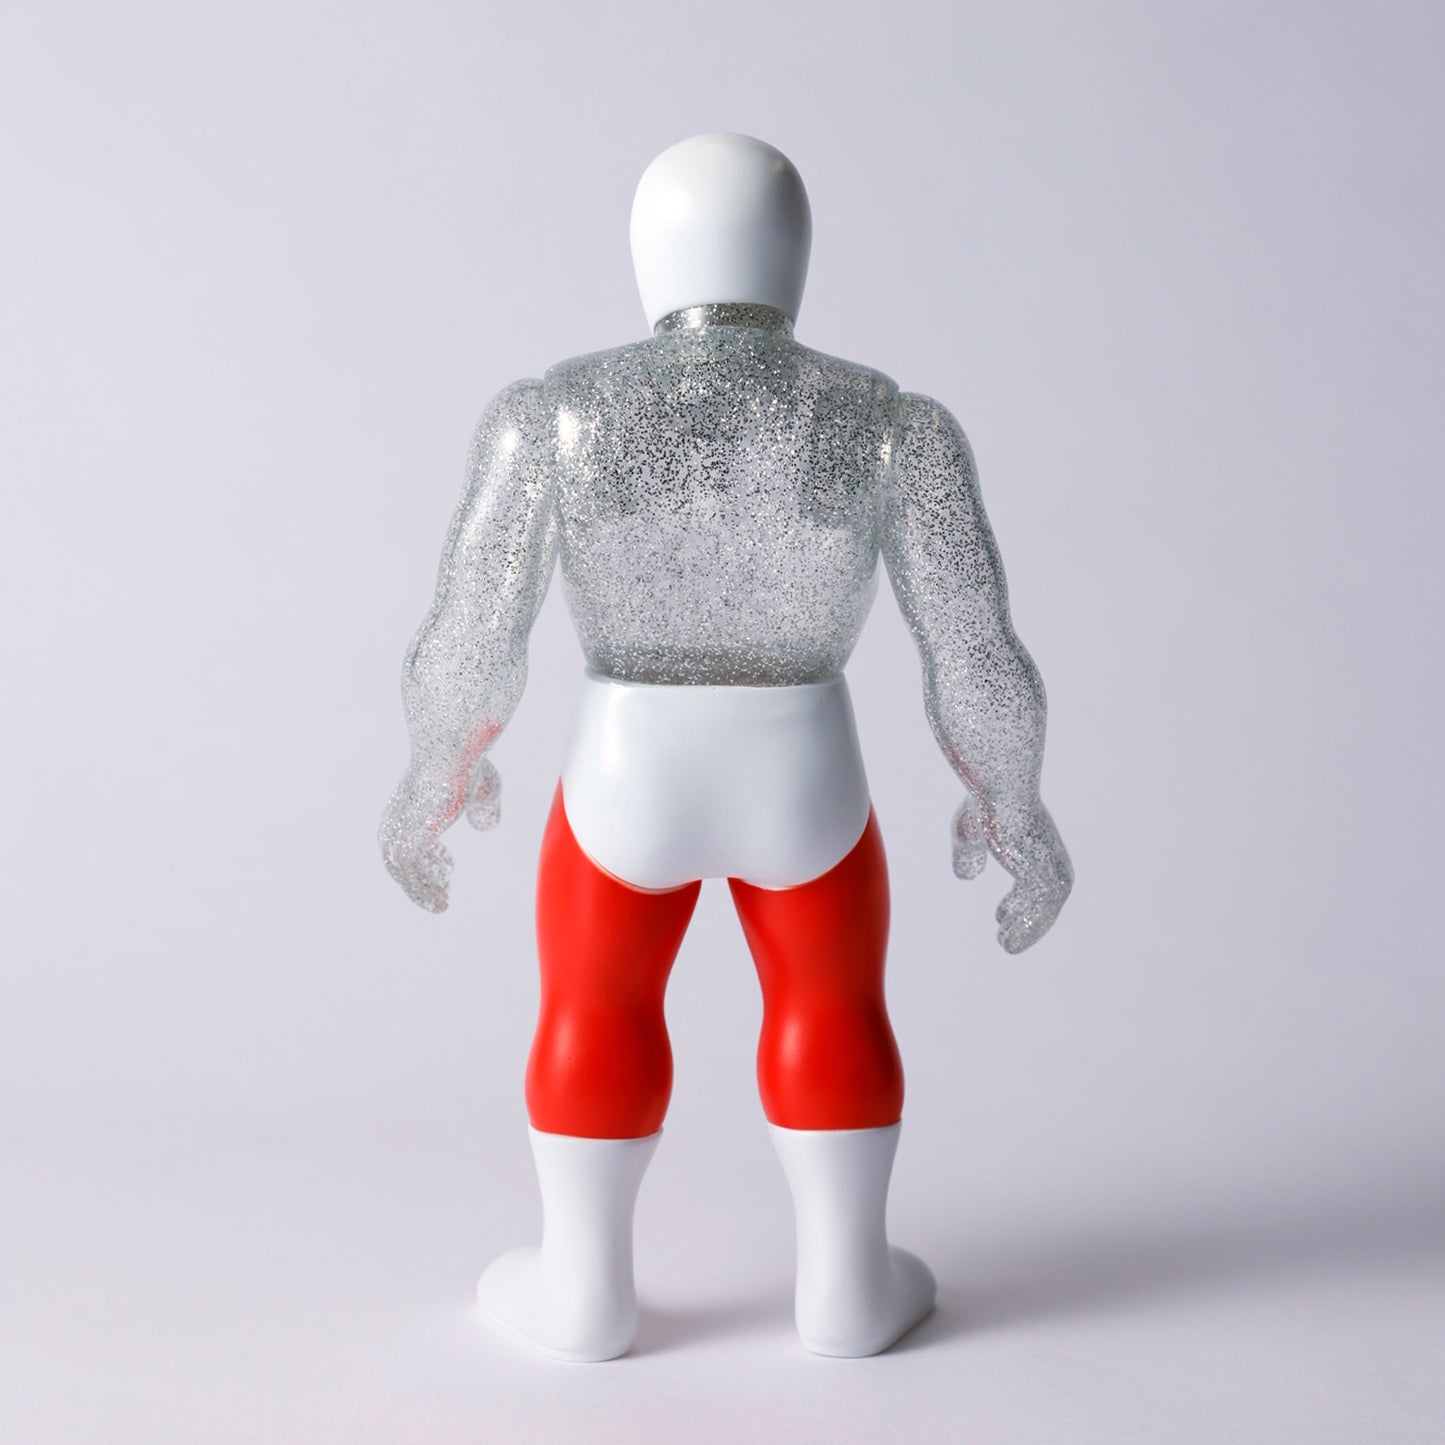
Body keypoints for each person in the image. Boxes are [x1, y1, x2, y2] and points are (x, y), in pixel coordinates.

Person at [379, 133, 1072, 1361]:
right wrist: (1012, 800)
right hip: (803, 764)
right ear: (793, 256)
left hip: (625, 766)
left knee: (593, 1001)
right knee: (831, 1001)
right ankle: (846, 1286)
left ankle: (582, 1289)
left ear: (647, 256)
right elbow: (970, 643)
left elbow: (471, 625)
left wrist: (436, 768)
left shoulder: (553, 415)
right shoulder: (887, 424)